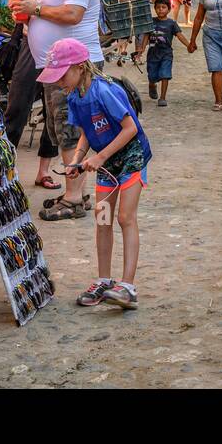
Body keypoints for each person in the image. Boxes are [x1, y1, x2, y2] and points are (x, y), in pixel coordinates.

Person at [43, 39, 151, 310]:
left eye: (62, 75)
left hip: (131, 157)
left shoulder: (104, 91)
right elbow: (84, 133)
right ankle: (104, 280)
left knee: (125, 217)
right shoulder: (74, 96)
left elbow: (130, 129)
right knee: (103, 219)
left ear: (80, 68)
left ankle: (127, 287)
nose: (58, 83)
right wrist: (78, 159)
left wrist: (100, 157)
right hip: (106, 164)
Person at [10, 0, 105, 222]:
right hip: (60, 67)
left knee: (68, 129)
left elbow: (72, 14)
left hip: (72, 68)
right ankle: (75, 191)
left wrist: (36, 9)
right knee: (62, 128)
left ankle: (74, 198)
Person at [138, 0, 191, 106]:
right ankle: (152, 85)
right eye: (158, 7)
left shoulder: (172, 23)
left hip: (166, 54)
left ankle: (162, 97)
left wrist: (188, 45)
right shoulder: (151, 22)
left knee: (165, 74)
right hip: (152, 54)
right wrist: (141, 49)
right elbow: (146, 36)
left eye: (163, 7)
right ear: (155, 9)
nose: (160, 9)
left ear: (169, 9)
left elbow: (179, 35)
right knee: (152, 75)